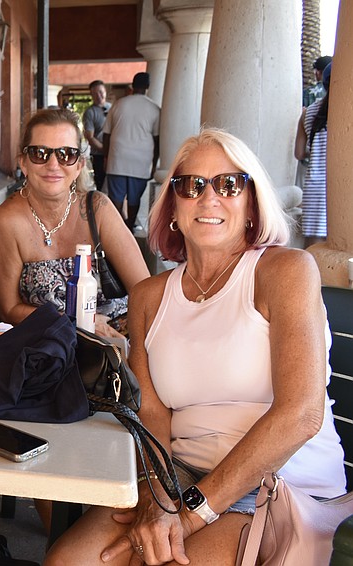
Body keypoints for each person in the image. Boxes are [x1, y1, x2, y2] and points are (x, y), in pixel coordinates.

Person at [44, 128, 346, 566]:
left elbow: (300, 414)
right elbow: (152, 413)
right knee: (68, 562)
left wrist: (191, 514)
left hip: (282, 484)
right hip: (179, 477)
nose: (209, 198)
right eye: (191, 185)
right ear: (172, 207)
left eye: (229, 184)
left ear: (251, 204)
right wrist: (158, 497)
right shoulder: (149, 296)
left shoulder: (285, 272)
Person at [0, 108, 149, 337]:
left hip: (118, 341)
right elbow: (8, 309)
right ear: (24, 163)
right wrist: (79, 324)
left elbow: (145, 291)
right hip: (50, 349)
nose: (53, 164)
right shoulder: (6, 221)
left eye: (66, 154)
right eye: (40, 153)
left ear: (79, 165)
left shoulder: (98, 209)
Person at [103, 72, 160, 231]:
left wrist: (107, 157)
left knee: (116, 197)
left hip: (117, 157)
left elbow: (107, 134)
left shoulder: (119, 104)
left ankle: (118, 228)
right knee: (134, 198)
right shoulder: (154, 108)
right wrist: (154, 164)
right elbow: (157, 140)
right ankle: (129, 229)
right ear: (148, 86)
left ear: (132, 85)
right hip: (141, 160)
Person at [295, 62, 331, 247]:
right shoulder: (345, 113)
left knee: (313, 247)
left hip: (314, 189)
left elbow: (299, 153)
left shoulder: (308, 113)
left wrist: (317, 149)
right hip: (337, 187)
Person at [83, 80, 111, 192]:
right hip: (99, 155)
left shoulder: (113, 108)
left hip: (115, 154)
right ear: (91, 95)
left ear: (105, 91)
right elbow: (90, 137)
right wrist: (104, 151)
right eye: (95, 93)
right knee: (101, 185)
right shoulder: (90, 112)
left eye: (101, 92)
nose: (99, 96)